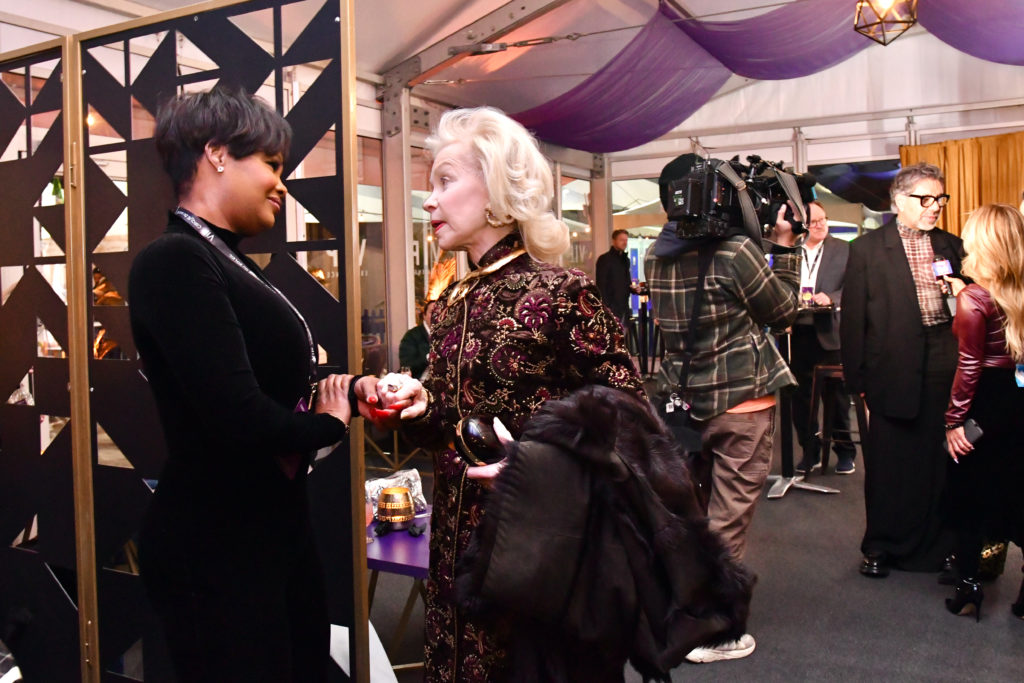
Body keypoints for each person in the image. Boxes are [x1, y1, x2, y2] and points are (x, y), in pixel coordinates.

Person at [129, 85, 420, 681]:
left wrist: (354, 391)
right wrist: (329, 422)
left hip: (267, 529)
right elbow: (237, 414)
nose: (281, 184)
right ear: (216, 153)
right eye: (271, 164)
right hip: (216, 544)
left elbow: (282, 385)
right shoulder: (175, 261)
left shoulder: (224, 257)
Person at [398, 106, 643, 681]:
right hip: (455, 549)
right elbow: (452, 421)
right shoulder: (452, 301)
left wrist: (538, 465)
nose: (428, 201)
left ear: (496, 188)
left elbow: (630, 421)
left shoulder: (561, 292)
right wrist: (419, 405)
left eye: (445, 180)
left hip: (537, 553)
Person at [645, 154, 801, 663]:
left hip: (683, 403)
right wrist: (784, 247)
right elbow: (783, 311)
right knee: (727, 516)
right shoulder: (737, 252)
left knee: (689, 512)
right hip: (742, 403)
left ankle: (680, 605)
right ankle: (714, 631)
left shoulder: (653, 254)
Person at [840, 162, 965, 579]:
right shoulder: (868, 249)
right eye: (925, 199)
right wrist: (856, 381)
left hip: (944, 361)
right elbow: (853, 319)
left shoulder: (952, 246)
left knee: (940, 461)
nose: (935, 207)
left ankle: (943, 544)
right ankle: (881, 545)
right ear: (898, 201)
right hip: (890, 366)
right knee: (891, 462)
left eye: (940, 199)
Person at [942, 204, 1024, 621]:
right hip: (1019, 403)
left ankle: (969, 589)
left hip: (985, 404)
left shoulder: (973, 297)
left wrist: (955, 421)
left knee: (970, 496)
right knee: (1018, 494)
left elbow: (969, 366)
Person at [789, 201, 857, 475]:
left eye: (823, 219)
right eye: (814, 222)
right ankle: (810, 450)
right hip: (798, 331)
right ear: (802, 226)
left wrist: (832, 297)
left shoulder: (843, 249)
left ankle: (844, 450)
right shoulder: (790, 251)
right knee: (801, 398)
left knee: (836, 397)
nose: (821, 225)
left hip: (830, 330)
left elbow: (852, 287)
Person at [595, 228, 634, 324]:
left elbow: (626, 282)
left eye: (626, 240)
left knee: (623, 335)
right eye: (621, 240)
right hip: (611, 307)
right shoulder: (605, 259)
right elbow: (601, 284)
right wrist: (606, 306)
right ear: (614, 241)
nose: (625, 243)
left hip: (623, 306)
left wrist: (633, 288)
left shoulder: (625, 260)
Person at [398, 299, 435, 379]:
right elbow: (407, 366)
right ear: (424, 316)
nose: (436, 315)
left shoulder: (447, 335)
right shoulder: (411, 336)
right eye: (432, 312)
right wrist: (430, 356)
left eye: (440, 312)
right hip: (419, 384)